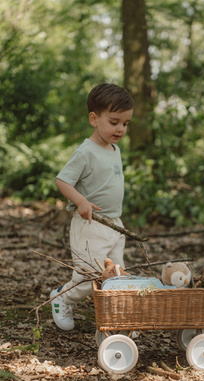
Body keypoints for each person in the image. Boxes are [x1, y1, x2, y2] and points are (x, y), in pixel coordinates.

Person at [51, 83, 134, 331]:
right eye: (114, 121)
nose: (120, 129)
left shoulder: (114, 149)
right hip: (91, 224)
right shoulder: (85, 152)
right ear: (94, 119)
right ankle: (62, 298)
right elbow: (62, 180)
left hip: (114, 224)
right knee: (88, 277)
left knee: (116, 275)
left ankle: (116, 317)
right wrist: (81, 201)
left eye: (125, 124)